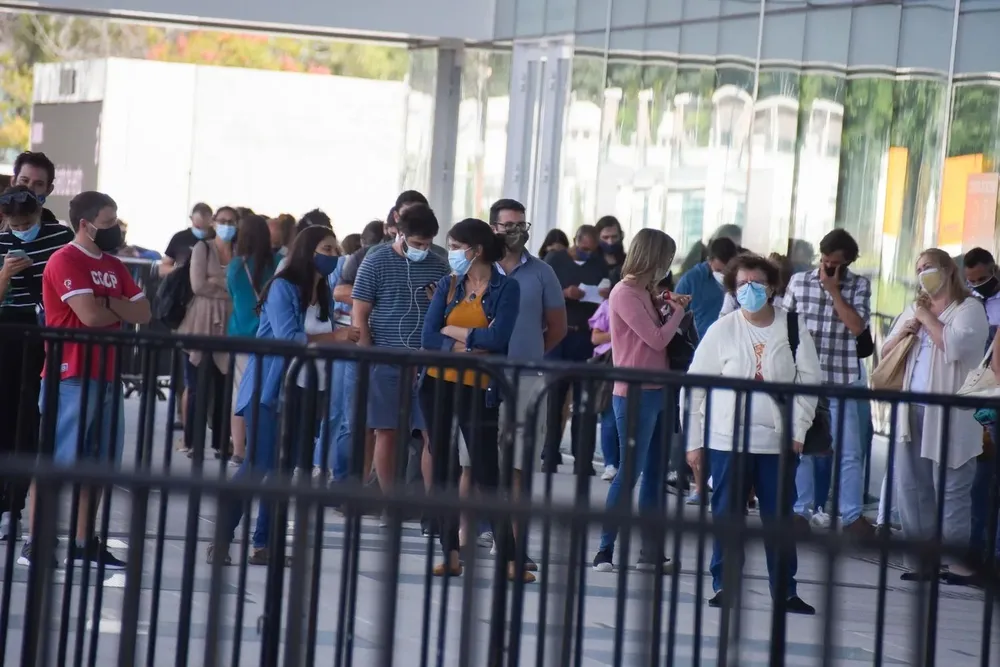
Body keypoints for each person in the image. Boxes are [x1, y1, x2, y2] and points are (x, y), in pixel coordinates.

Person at [210, 226, 360, 565]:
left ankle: (267, 544)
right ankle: (222, 537)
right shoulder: (283, 287)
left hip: (310, 391)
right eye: (327, 248)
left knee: (285, 469)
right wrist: (336, 338)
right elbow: (289, 337)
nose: (333, 255)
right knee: (259, 464)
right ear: (308, 250)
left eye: (336, 249)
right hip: (272, 389)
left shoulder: (323, 290)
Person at [20, 190, 150, 569]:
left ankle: (83, 540)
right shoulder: (65, 260)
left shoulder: (113, 263)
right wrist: (113, 307)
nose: (115, 230)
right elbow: (88, 317)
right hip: (71, 374)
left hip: (107, 373)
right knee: (58, 459)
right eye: (108, 223)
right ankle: (36, 538)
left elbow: (143, 309)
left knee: (99, 463)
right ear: (85, 224)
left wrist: (104, 302)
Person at [685, 253, 820, 615]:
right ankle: (724, 584)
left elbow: (809, 380)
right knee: (727, 515)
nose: (749, 290)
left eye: (756, 284)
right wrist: (693, 442)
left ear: (772, 286)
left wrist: (798, 429)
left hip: (777, 442)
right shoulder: (723, 329)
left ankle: (785, 591)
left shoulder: (792, 326)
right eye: (742, 284)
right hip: (726, 440)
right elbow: (695, 386)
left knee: (778, 517)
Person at [419, 217, 527, 580]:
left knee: (487, 472)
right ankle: (449, 552)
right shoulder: (448, 286)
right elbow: (428, 336)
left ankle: (511, 559)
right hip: (437, 383)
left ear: (475, 249)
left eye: (454, 246)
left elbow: (500, 341)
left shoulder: (505, 289)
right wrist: (462, 342)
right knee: (443, 470)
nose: (450, 254)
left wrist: (455, 333)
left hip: (479, 388)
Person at [880, 249, 987, 584]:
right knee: (912, 482)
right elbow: (886, 352)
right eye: (919, 268)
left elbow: (955, 346)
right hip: (913, 407)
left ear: (948, 271)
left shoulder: (969, 310)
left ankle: (956, 561)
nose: (924, 273)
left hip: (951, 410)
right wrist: (906, 331)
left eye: (930, 267)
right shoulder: (915, 309)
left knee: (953, 483)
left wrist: (927, 318)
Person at [592, 228, 682, 574]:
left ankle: (650, 550)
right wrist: (676, 313)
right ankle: (605, 549)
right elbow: (656, 340)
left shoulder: (646, 291)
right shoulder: (625, 292)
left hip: (659, 390)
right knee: (629, 472)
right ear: (653, 257)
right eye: (666, 258)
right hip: (633, 393)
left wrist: (666, 304)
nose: (668, 265)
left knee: (656, 474)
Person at [484, 198, 567, 570]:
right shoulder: (479, 267)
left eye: (522, 223)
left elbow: (557, 326)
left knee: (520, 465)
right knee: (475, 464)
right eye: (508, 225)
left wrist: (530, 352)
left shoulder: (542, 272)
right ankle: (466, 538)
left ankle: (516, 544)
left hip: (528, 378)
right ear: (493, 228)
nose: (516, 230)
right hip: (483, 376)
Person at [352, 204, 449, 502]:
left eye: (428, 243)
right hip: (385, 360)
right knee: (387, 430)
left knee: (430, 434)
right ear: (401, 234)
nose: (424, 249)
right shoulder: (376, 260)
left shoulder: (439, 265)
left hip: (426, 362)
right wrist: (367, 355)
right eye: (418, 243)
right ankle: (389, 500)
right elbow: (360, 313)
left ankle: (433, 508)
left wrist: (440, 303)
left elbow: (450, 314)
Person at [783, 229, 874, 537]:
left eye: (835, 264)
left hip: (840, 378)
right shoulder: (799, 282)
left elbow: (858, 328)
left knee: (849, 450)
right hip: (804, 378)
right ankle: (800, 510)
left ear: (847, 262)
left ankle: (851, 516)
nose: (827, 268)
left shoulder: (859, 286)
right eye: (824, 261)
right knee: (802, 447)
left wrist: (834, 291)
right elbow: (785, 324)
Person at [0, 187, 73, 542]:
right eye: (14, 224)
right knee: (5, 418)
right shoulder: (2, 243)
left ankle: (16, 504)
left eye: (26, 222)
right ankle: (5, 506)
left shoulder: (60, 237)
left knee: (31, 419)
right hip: (7, 337)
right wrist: (5, 275)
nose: (20, 229)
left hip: (45, 334)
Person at [543, 225, 610, 473]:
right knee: (554, 400)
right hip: (560, 336)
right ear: (575, 242)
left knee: (586, 402)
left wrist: (605, 293)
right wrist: (564, 293)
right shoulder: (555, 260)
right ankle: (550, 454)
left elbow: (606, 292)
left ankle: (583, 460)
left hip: (586, 338)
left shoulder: (599, 265)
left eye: (591, 251)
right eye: (583, 249)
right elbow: (543, 293)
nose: (587, 254)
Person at [177, 206, 237, 457]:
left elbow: (243, 285)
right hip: (200, 322)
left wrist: (218, 283)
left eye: (231, 221)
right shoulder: (203, 248)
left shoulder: (240, 253)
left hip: (228, 325)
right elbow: (198, 284)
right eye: (222, 220)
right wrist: (226, 289)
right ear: (214, 222)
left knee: (224, 386)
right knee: (198, 385)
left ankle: (222, 443)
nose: (226, 225)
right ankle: (193, 442)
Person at [331, 220, 385, 483]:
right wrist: (375, 294)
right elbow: (339, 291)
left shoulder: (435, 259)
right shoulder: (365, 257)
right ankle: (345, 483)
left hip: (393, 351)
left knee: (384, 426)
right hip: (358, 348)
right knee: (353, 421)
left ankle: (368, 485)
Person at [226, 215, 278, 466]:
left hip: (240, 336)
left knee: (240, 391)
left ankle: (239, 449)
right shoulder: (277, 263)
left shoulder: (235, 267)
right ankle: (264, 447)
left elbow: (233, 295)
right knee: (268, 393)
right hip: (270, 336)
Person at [964, 247, 1000, 564]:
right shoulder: (971, 302)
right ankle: (977, 549)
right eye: (973, 280)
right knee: (982, 477)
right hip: (982, 396)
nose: (979, 284)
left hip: (991, 393)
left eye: (983, 278)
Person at [676, 236, 739, 340]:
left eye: (728, 271)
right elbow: (675, 316)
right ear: (709, 260)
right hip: (699, 345)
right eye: (719, 270)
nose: (724, 275)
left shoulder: (743, 280)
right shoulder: (691, 281)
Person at [589, 287, 619, 482]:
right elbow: (595, 337)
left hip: (633, 363)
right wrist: (618, 334)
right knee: (608, 413)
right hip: (609, 362)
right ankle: (611, 464)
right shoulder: (608, 305)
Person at [160, 202, 214, 276]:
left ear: (211, 221)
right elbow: (162, 269)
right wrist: (180, 270)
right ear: (191, 219)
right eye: (197, 226)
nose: (201, 230)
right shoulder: (179, 238)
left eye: (204, 227)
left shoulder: (216, 238)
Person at [12, 152, 59, 223]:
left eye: (38, 184)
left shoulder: (56, 229)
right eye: (24, 181)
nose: (29, 188)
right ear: (13, 182)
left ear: (49, 190)